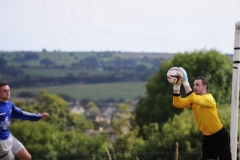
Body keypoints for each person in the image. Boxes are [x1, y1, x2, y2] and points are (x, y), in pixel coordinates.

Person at [171, 67, 232, 160]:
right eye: (193, 84)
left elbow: (192, 98)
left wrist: (185, 81)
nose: (194, 86)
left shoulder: (209, 98)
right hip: (207, 138)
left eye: (197, 84)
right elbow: (177, 103)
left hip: (220, 137)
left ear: (204, 87)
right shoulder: (194, 100)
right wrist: (177, 85)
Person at [0, 83, 49, 160]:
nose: (8, 92)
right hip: (1, 143)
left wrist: (38, 116)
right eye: (5, 91)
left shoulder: (10, 105)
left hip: (9, 137)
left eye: (9, 90)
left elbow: (22, 114)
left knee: (27, 157)